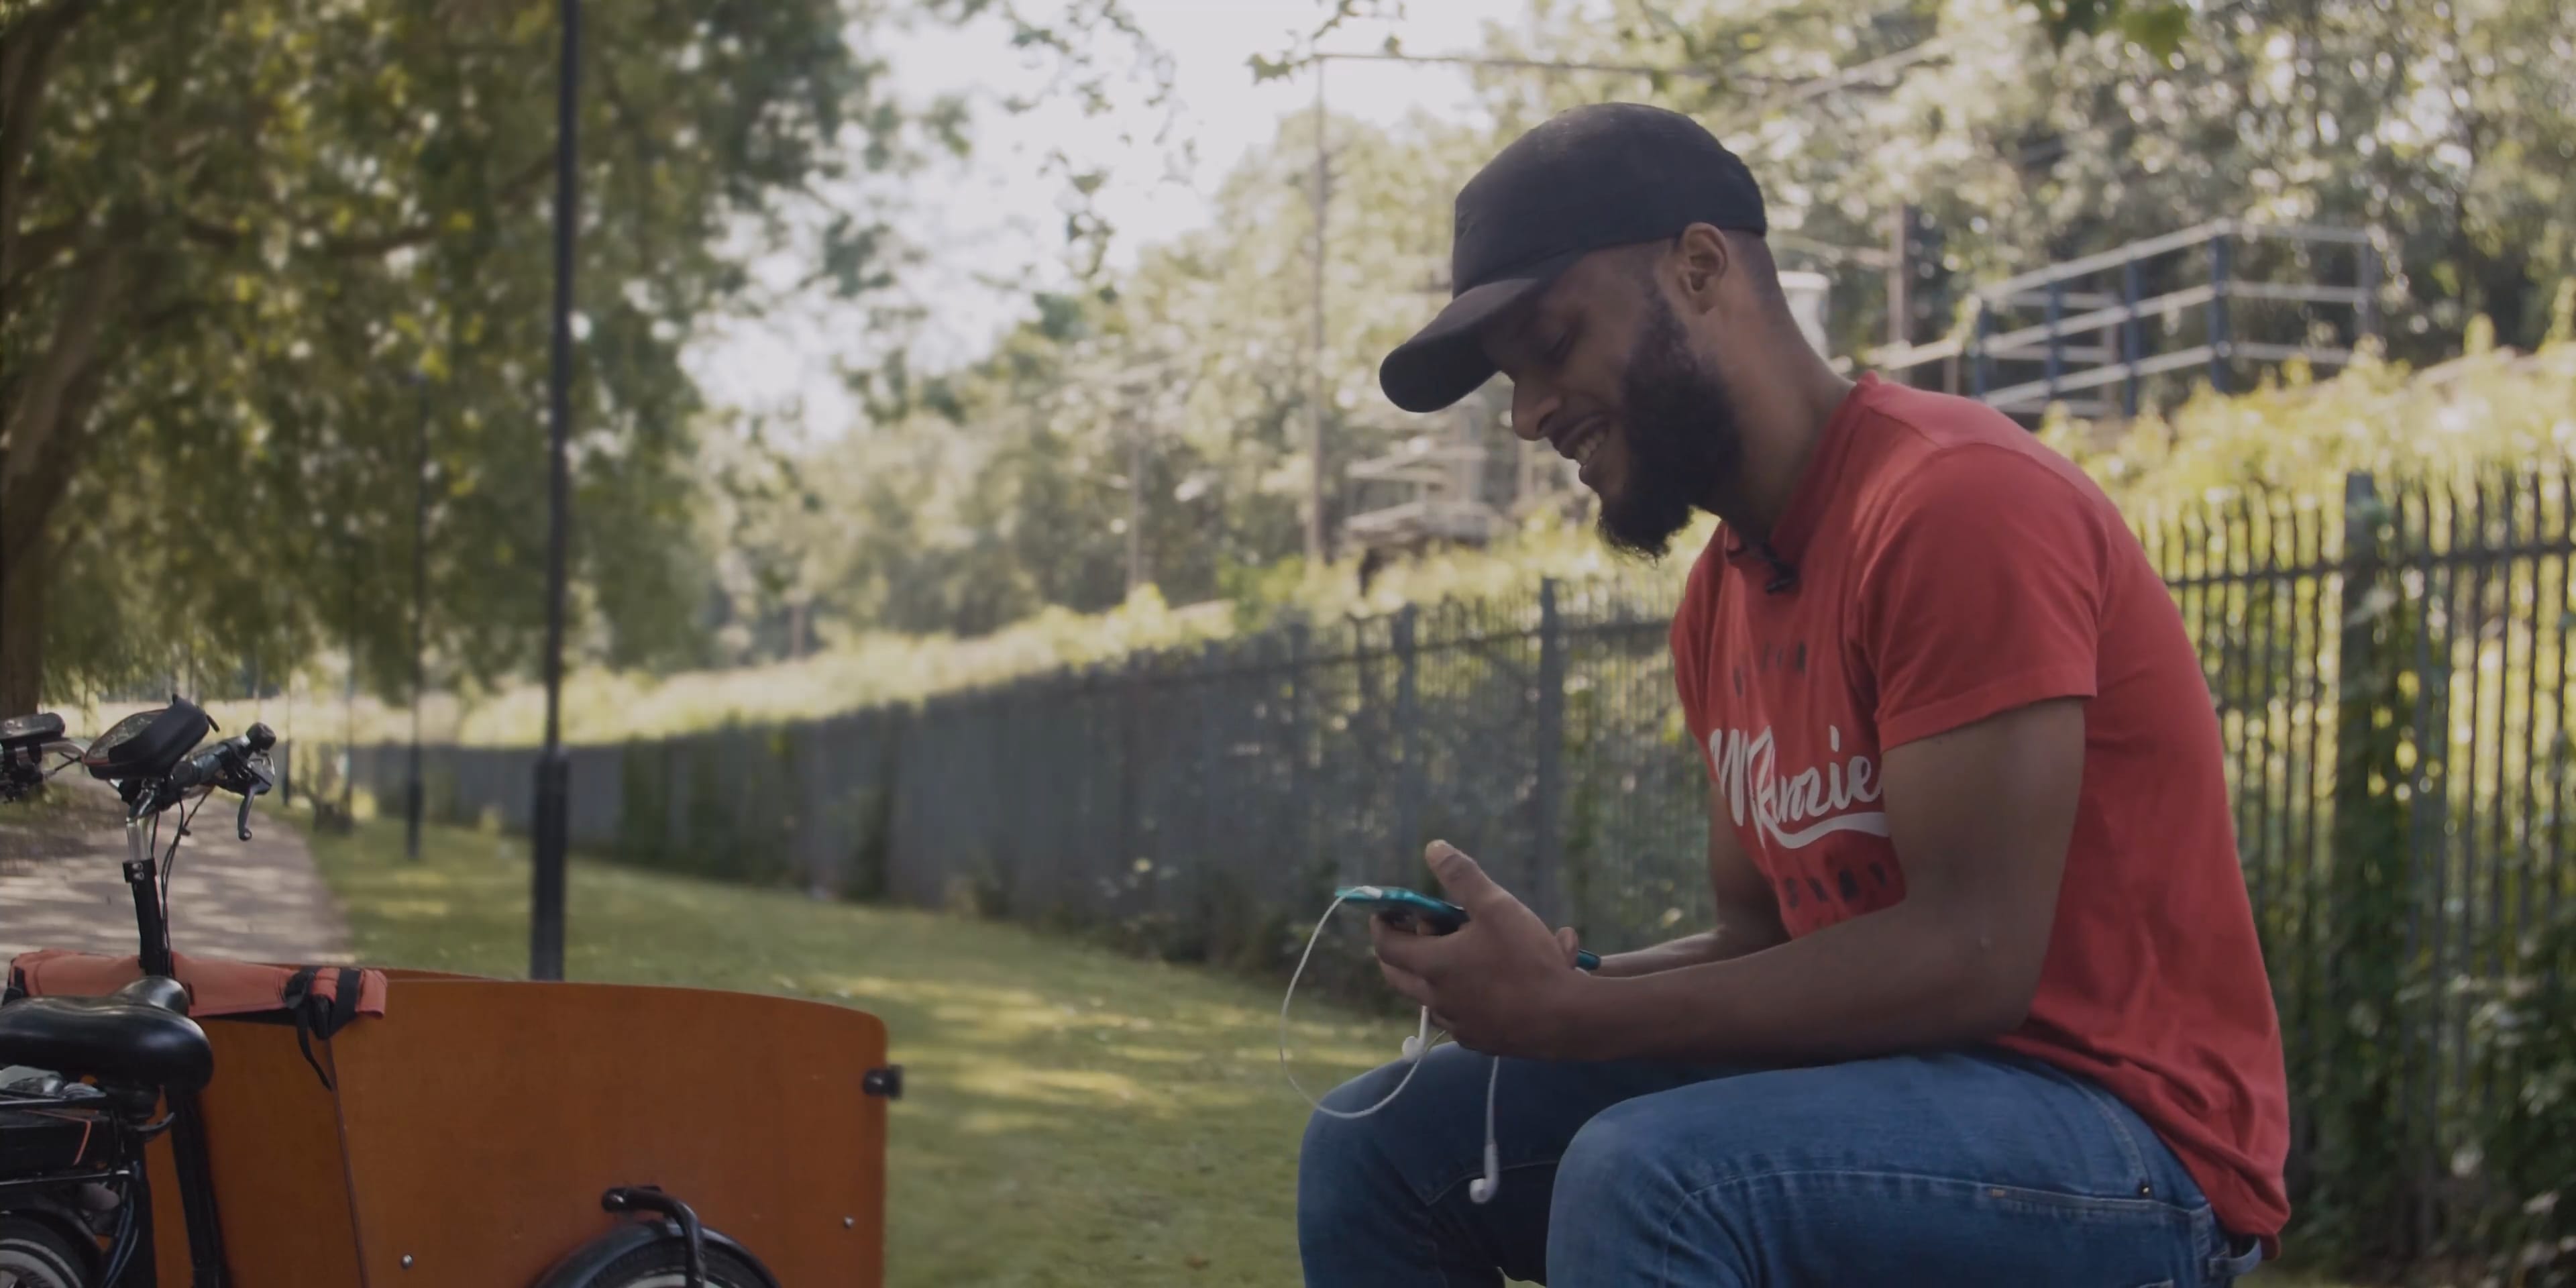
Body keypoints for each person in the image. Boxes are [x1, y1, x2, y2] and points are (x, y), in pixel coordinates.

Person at [1295, 101, 2289, 1287]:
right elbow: (1761, 939)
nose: (1526, 416)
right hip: (1885, 1100)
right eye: (1510, 381)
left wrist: (1577, 1020)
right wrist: (1558, 984)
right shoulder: (1721, 601)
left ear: (1700, 266)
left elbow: (1972, 956)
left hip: (2123, 1144)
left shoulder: (1955, 504)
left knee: (1651, 1178)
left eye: (1552, 344)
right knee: (1379, 1147)